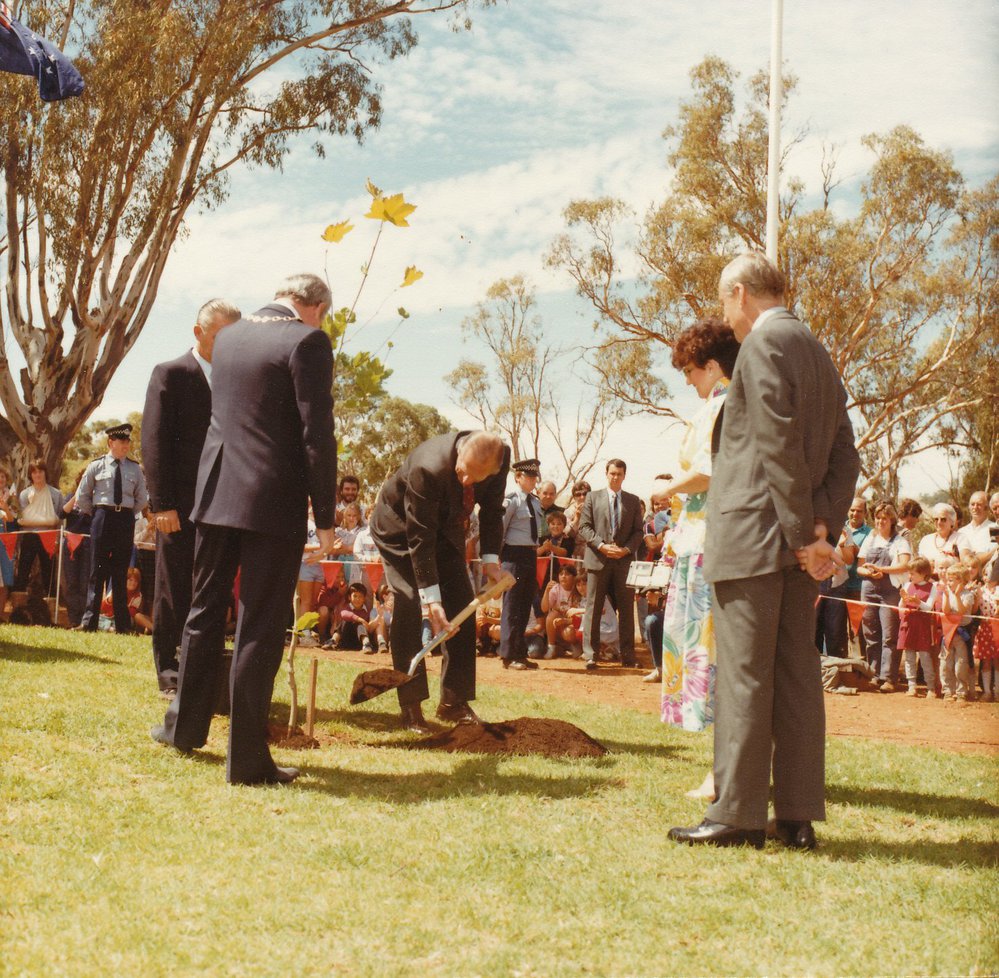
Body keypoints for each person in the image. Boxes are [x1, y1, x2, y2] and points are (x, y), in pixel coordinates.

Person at [669, 252, 859, 851]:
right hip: (796, 546)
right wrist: (820, 531)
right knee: (797, 677)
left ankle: (737, 816)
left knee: (746, 679)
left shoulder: (759, 346)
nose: (728, 316)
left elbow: (775, 442)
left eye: (726, 302)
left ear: (741, 293)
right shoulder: (817, 349)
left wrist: (805, 534)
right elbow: (845, 453)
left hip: (755, 539)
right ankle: (797, 817)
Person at [152, 272, 336, 786]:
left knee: (203, 612)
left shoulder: (228, 336)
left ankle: (182, 730)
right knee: (259, 623)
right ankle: (248, 758)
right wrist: (324, 518)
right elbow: (316, 434)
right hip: (270, 502)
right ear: (315, 307)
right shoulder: (308, 340)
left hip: (215, 495)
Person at [369, 430, 508, 733]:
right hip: (399, 531)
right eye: (463, 472)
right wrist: (431, 601)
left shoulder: (501, 457)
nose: (468, 482)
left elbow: (493, 511)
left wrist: (490, 562)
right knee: (407, 602)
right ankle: (410, 705)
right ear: (459, 454)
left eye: (477, 478)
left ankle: (452, 703)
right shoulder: (426, 467)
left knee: (462, 601)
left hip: (445, 528)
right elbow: (420, 538)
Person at [656, 318, 740, 800]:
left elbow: (706, 474)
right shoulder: (713, 406)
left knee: (710, 659)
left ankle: (724, 771)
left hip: (713, 548)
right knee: (703, 658)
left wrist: (666, 487)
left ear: (710, 366)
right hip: (696, 544)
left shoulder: (724, 406)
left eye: (690, 370)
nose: (687, 380)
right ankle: (723, 768)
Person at [142, 298, 241, 693]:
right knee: (174, 587)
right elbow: (154, 442)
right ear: (198, 333)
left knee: (212, 590)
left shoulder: (239, 381)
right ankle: (168, 671)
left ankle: (201, 671)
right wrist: (161, 503)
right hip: (178, 507)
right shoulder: (170, 374)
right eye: (220, 336)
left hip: (223, 504)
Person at [76, 427, 149, 634]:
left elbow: (141, 499)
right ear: (110, 442)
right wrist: (99, 514)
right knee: (97, 572)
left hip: (124, 519)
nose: (126, 445)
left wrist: (124, 514)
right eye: (121, 441)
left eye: (127, 441)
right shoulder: (96, 466)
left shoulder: (135, 469)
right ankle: (89, 621)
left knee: (120, 572)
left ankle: (122, 625)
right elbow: (82, 496)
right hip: (102, 517)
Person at [577, 459, 643, 671]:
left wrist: (625, 550)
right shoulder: (592, 497)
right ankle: (590, 655)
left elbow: (638, 532)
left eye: (619, 474)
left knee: (625, 609)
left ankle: (628, 656)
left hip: (623, 561)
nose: (615, 477)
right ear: (606, 474)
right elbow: (584, 527)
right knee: (593, 608)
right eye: (612, 473)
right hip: (599, 559)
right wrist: (602, 546)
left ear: (624, 476)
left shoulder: (633, 501)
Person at [856, 502, 912, 691]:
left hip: (890, 590)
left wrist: (883, 570)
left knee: (889, 634)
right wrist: (869, 573)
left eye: (885, 518)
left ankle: (889, 678)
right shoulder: (870, 539)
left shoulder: (900, 541)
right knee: (870, 632)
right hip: (869, 589)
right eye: (878, 518)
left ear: (892, 520)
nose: (880, 521)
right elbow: (859, 566)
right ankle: (873, 675)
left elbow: (905, 565)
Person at [500, 458, 544, 671]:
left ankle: (520, 652)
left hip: (530, 554)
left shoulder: (535, 502)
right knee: (512, 606)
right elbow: (501, 530)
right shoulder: (511, 501)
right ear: (518, 477)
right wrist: (500, 559)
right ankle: (508, 655)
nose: (533, 480)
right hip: (513, 555)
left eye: (535, 476)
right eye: (528, 476)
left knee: (525, 604)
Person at [14, 459, 64, 595]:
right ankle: (18, 605)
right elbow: (23, 518)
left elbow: (58, 519)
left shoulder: (56, 494)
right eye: (34, 472)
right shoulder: (25, 494)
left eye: (40, 471)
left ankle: (50, 605)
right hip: (30, 536)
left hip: (49, 536)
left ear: (45, 473)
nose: (37, 475)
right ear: (30, 475)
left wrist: (58, 540)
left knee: (49, 572)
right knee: (23, 571)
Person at [897, 556, 939, 699]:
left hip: (922, 626)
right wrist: (904, 600)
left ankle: (931, 687)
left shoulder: (932, 587)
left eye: (913, 573)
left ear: (923, 573)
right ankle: (911, 686)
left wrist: (918, 602)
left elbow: (928, 608)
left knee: (925, 657)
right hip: (909, 624)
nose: (910, 576)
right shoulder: (908, 585)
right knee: (908, 656)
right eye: (909, 573)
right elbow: (900, 607)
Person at [937, 563, 976, 701]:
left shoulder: (968, 595)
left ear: (961, 581)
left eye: (952, 580)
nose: (949, 582)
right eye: (948, 580)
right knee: (945, 663)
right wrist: (947, 596)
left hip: (962, 634)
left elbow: (960, 611)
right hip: (948, 632)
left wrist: (957, 595)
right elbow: (946, 611)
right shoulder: (947, 593)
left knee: (961, 664)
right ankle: (948, 691)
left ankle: (961, 692)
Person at [918, 503, 961, 578]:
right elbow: (919, 566)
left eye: (943, 519)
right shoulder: (925, 540)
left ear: (952, 521)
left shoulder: (960, 538)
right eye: (936, 519)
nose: (939, 522)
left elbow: (965, 564)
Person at [957, 491, 998, 567]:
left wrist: (971, 558)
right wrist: (983, 555)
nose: (975, 507)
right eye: (972, 504)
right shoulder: (962, 532)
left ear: (987, 508)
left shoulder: (995, 528)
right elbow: (961, 560)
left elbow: (995, 555)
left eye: (979, 505)